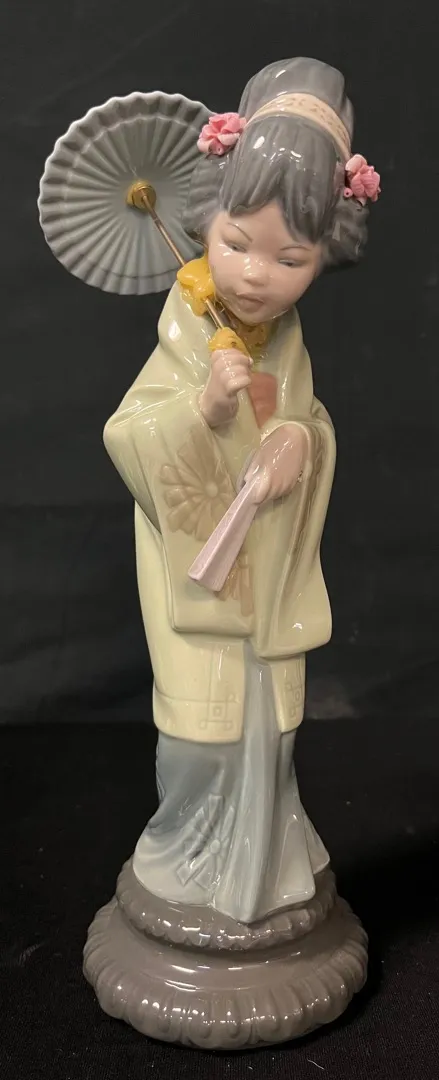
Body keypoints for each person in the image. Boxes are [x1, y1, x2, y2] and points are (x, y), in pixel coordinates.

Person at [103, 57, 379, 924]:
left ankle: (262, 859)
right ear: (203, 224)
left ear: (323, 257)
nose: (257, 274)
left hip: (269, 571)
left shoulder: (284, 339)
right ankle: (186, 857)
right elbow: (128, 432)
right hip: (199, 573)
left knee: (271, 728)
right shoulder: (185, 326)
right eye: (234, 243)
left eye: (289, 257)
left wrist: (298, 439)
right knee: (199, 732)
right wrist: (204, 409)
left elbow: (307, 422)